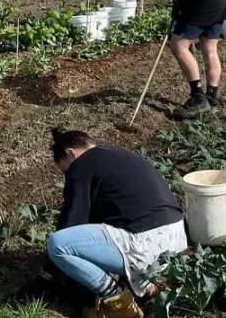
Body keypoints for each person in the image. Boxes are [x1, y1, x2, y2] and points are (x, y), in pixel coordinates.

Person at [45, 128, 187, 318]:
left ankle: (119, 302)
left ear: (71, 153)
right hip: (175, 242)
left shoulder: (81, 165)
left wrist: (48, 273)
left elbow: (72, 223)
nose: (68, 176)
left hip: (146, 244)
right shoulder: (121, 154)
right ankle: (147, 289)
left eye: (65, 170)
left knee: (58, 245)